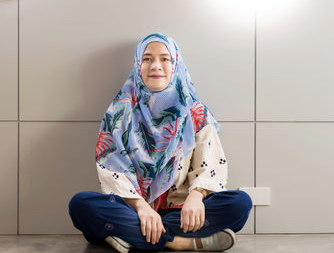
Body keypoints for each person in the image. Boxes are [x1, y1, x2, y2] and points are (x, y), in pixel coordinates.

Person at [68, 32, 252, 252]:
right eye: (147, 59)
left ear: (176, 65)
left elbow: (212, 166)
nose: (156, 65)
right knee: (81, 205)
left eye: (165, 59)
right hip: (132, 209)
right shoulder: (119, 113)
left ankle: (126, 235)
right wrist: (141, 208)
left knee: (239, 204)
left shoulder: (195, 113)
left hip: (181, 211)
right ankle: (180, 242)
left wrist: (195, 197)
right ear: (138, 64)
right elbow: (111, 172)